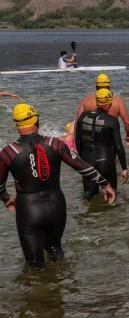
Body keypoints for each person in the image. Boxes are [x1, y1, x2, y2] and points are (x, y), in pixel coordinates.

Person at [0, 103, 115, 268]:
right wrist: (105, 183)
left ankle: (44, 292)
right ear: (37, 121)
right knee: (56, 253)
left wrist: (5, 198)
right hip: (56, 207)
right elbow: (81, 165)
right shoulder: (55, 144)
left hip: (29, 210)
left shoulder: (8, 152)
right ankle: (62, 286)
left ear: (16, 124)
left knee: (35, 266)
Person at [74, 89, 127, 198]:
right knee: (111, 195)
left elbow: (77, 141)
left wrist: (83, 159)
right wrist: (124, 168)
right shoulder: (111, 120)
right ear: (109, 103)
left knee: (89, 196)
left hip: (88, 161)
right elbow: (118, 146)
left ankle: (91, 214)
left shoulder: (83, 116)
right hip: (106, 161)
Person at [75, 74, 129, 145]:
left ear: (96, 86)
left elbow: (78, 122)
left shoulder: (86, 100)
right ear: (109, 86)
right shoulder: (118, 101)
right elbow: (127, 123)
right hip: (109, 140)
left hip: (90, 141)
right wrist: (128, 135)